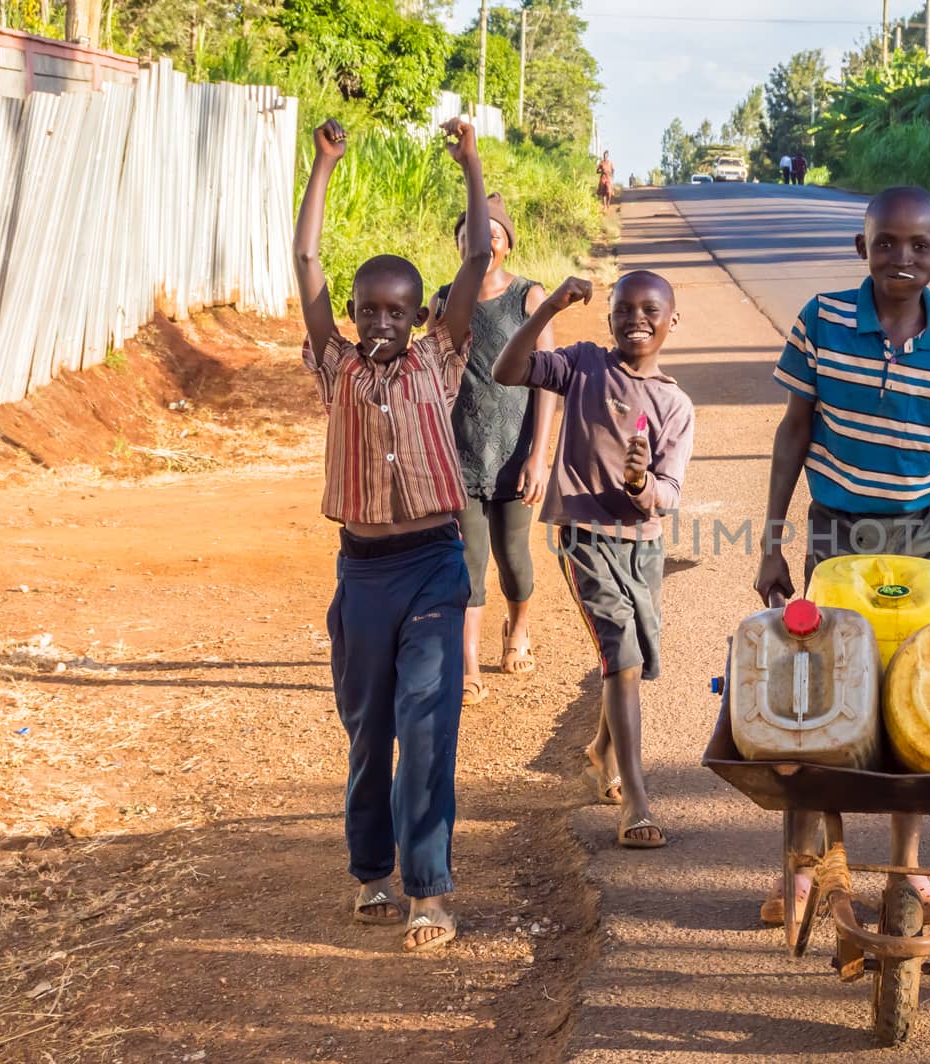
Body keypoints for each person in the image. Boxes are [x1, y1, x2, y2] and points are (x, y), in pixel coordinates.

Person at [752, 185, 930, 925]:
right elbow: (794, 429)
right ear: (861, 248)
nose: (901, 258)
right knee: (814, 700)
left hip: (927, 535)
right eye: (885, 243)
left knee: (925, 693)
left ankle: (905, 868)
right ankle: (801, 867)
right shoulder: (823, 320)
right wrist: (772, 541)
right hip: (840, 531)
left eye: (919, 245)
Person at [294, 116, 491, 952]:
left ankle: (430, 891)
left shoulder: (439, 360)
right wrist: (324, 167)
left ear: (420, 317)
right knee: (369, 732)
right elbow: (305, 261)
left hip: (435, 564)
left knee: (428, 722)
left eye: (397, 310)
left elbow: (477, 260)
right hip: (364, 573)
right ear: (350, 312)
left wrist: (472, 165)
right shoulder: (334, 365)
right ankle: (371, 873)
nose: (381, 321)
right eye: (368, 308)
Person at [493, 271, 694, 849]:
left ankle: (601, 751)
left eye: (650, 309)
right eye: (624, 309)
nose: (637, 319)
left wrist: (640, 484)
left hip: (644, 542)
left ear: (671, 319)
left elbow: (671, 491)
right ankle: (635, 797)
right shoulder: (581, 364)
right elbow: (508, 371)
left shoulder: (675, 404)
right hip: (584, 536)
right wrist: (547, 308)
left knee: (638, 657)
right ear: (607, 320)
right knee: (622, 658)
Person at [429, 194, 557, 702]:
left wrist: (539, 454)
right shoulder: (443, 301)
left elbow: (548, 379)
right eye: (469, 237)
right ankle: (468, 663)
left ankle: (518, 628)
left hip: (515, 451)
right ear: (460, 245)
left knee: (514, 557)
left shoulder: (529, 297)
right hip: (459, 454)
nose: (481, 244)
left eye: (492, 235)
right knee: (469, 561)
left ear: (506, 243)